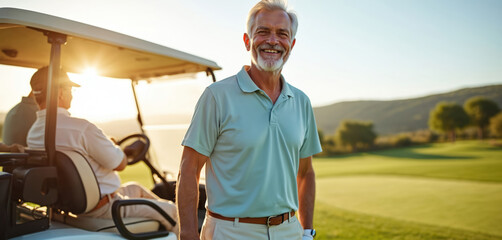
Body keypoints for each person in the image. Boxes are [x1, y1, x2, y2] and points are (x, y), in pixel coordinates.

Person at [177, 0, 322, 239]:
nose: (273, 40)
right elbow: (188, 169)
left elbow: (305, 172)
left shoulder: (302, 101)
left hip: (290, 231)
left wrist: (307, 231)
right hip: (229, 232)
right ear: (247, 41)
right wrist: (188, 235)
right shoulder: (217, 96)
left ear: (292, 44)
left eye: (282, 34)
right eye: (263, 31)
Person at [26, 66, 178, 235]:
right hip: (104, 208)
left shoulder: (33, 133)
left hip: (70, 204)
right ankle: (169, 223)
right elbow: (119, 163)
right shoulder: (82, 129)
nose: (72, 94)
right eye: (70, 89)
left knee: (136, 188)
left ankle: (163, 225)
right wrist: (120, 150)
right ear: (60, 92)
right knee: (174, 211)